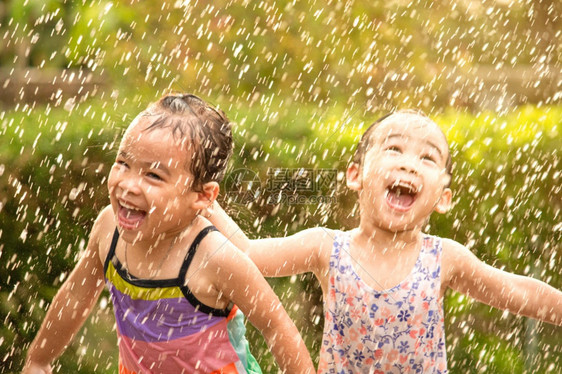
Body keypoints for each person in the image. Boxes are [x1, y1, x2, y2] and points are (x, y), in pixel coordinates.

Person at [207, 109, 562, 373]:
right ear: (355, 175)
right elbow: (250, 253)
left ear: (444, 197)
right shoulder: (326, 247)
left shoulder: (444, 258)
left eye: (427, 157)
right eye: (394, 149)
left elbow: (519, 293)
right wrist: (203, 201)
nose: (409, 164)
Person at [23, 94, 315, 374]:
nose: (129, 185)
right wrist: (38, 359)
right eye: (123, 163)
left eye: (153, 175)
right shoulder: (108, 229)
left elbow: (277, 325)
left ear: (202, 196)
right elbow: (77, 294)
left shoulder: (212, 256)